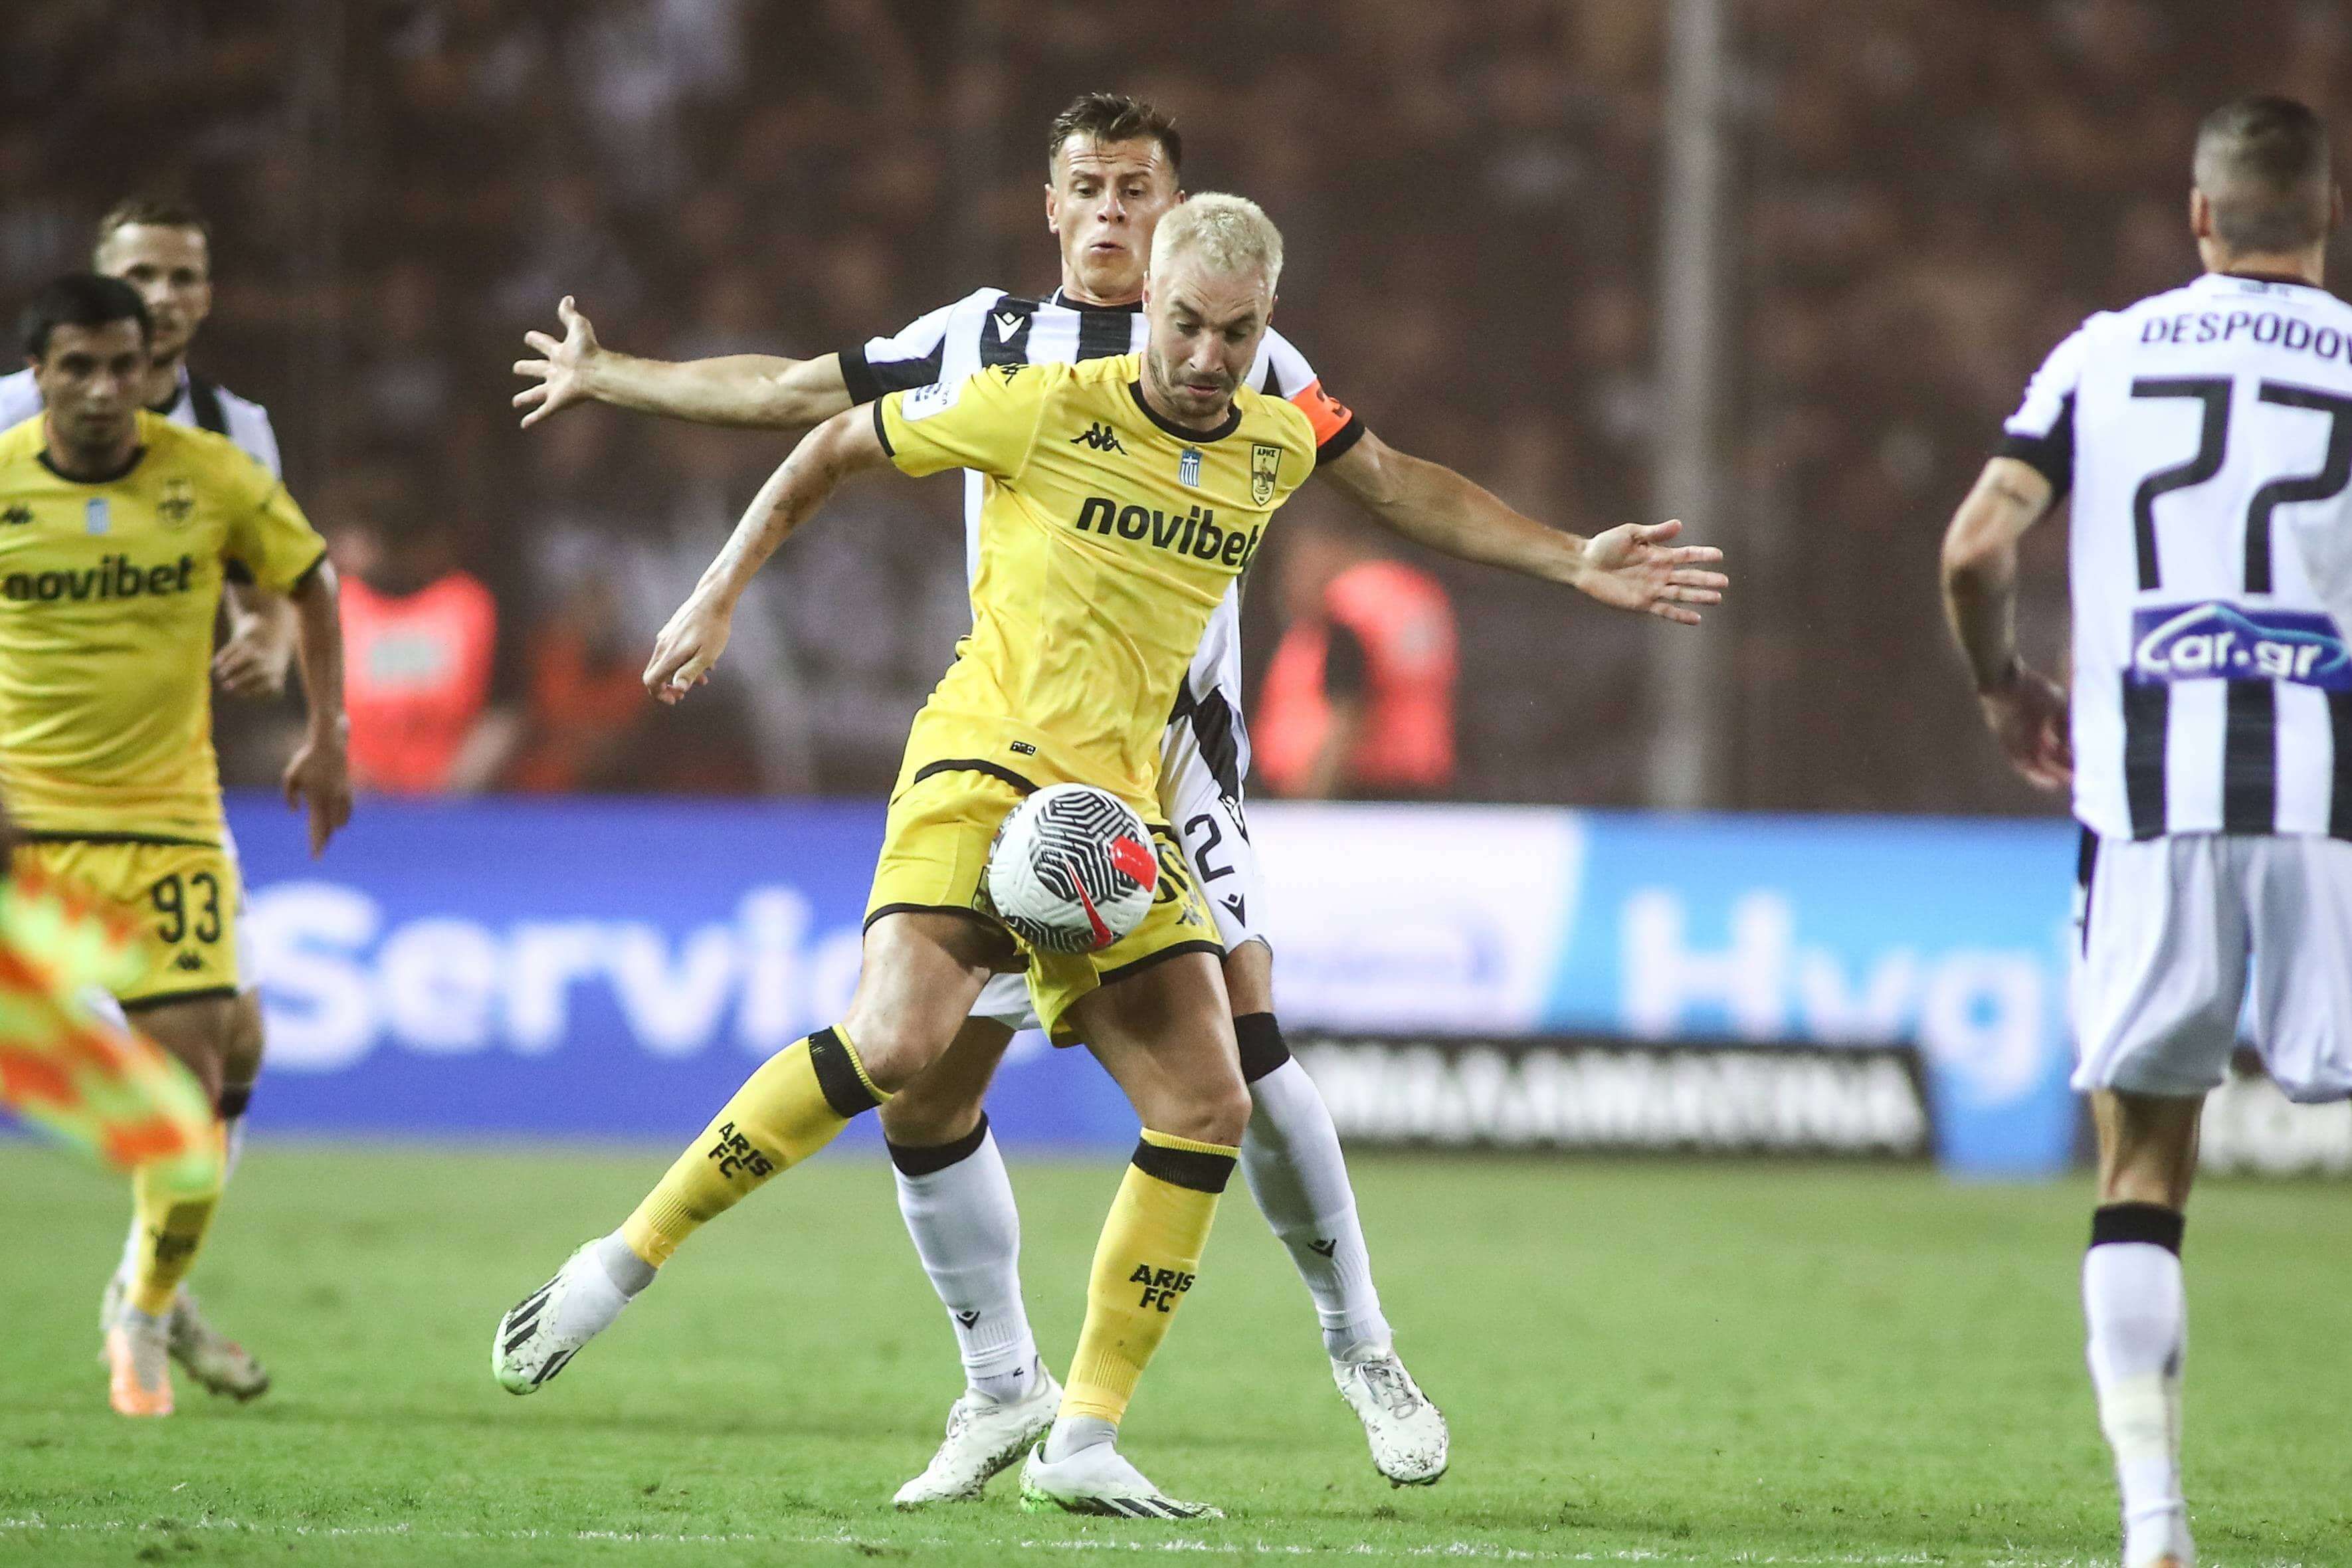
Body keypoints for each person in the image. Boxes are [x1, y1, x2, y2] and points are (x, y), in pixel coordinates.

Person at [512, 92, 1720, 1504]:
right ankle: (999, 1387)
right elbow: (806, 404)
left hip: (1170, 757)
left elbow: (1392, 485)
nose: (1107, 211)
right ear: (1055, 210)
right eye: (1083, 185)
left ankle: (1356, 1349)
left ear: (1178, 226)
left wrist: (1573, 556)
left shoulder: (1265, 386)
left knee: (1245, 1067)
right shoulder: (999, 355)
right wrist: (628, 397)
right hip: (1006, 738)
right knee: (919, 1082)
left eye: (1132, 186)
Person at [1940, 95, 2351, 1568]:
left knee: (2144, 1163)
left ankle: (2155, 1526)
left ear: (2198, 214)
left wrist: (2003, 688)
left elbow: (1977, 544)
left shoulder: (2105, 352)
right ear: (2325, 211)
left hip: (2149, 795)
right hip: (2333, 799)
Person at [1, 274, 350, 1417]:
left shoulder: (212, 475)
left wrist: (326, 731)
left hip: (167, 828)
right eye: (78, 368)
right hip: (23, 823)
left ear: (149, 368)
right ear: (37, 375)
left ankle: (144, 1306)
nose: (104, 390)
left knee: (201, 1096)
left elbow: (308, 580)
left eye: (123, 366)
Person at [329, 460, 523, 795]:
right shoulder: (329, 608)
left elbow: (506, 713)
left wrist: (452, 788)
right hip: (354, 805)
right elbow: (291, 722)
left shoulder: (471, 606)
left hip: (453, 809)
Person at [1256, 520, 1458, 799]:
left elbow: (1347, 712)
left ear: (1329, 548)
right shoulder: (1417, 593)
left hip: (1356, 792)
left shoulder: (1349, 606)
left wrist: (1308, 800)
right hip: (1417, 784)